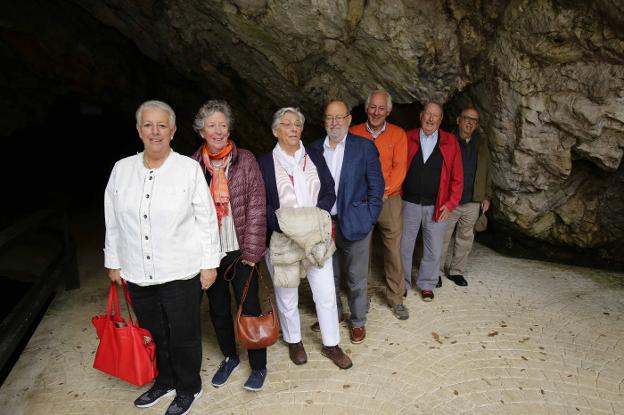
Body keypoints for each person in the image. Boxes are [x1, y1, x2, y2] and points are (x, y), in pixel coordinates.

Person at [104, 100, 222, 415]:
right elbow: (112, 220)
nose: (154, 132)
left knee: (183, 333)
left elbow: (206, 218)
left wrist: (209, 262)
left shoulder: (187, 168)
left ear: (172, 131)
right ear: (139, 130)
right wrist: (113, 262)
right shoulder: (121, 169)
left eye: (161, 125)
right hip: (137, 270)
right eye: (148, 125)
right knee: (154, 332)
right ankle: (165, 380)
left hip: (180, 270)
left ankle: (188, 387)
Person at [258, 107, 353, 369]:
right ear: (275, 130)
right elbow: (261, 202)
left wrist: (318, 216)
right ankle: (294, 341)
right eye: (286, 124)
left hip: (315, 238)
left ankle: (331, 344)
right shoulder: (265, 163)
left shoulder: (314, 156)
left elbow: (329, 190)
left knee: (325, 292)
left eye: (297, 124)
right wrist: (278, 223)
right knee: (287, 293)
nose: (292, 129)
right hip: (283, 238)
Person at [191, 100, 268, 391]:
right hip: (210, 255)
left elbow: (257, 206)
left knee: (249, 307)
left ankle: (258, 365)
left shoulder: (245, 159)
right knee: (219, 309)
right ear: (201, 131)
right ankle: (229, 357)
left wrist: (252, 252)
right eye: (211, 125)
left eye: (222, 124)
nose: (218, 130)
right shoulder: (192, 165)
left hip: (240, 252)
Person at [309, 99, 384, 342]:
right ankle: (334, 315)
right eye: (330, 118)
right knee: (328, 276)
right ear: (324, 121)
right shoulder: (312, 150)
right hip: (323, 224)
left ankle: (358, 320)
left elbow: (376, 186)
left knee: (356, 276)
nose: (334, 122)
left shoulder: (364, 147)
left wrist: (370, 217)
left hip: (356, 222)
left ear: (349, 119)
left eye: (339, 117)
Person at [349, 90, 409, 320]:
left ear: (388, 111)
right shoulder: (353, 133)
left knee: (393, 251)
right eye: (372, 107)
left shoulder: (398, 135)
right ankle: (361, 299)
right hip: (361, 201)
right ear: (366, 109)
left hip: (389, 200)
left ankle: (396, 298)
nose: (376, 112)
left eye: (381, 108)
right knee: (361, 251)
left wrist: (381, 193)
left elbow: (399, 168)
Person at [399, 102, 463, 302]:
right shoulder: (407, 137)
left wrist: (451, 203)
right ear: (421, 116)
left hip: (438, 205)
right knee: (404, 246)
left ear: (441, 120)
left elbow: (458, 177)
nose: (431, 118)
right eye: (428, 114)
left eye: (435, 115)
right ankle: (402, 283)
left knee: (434, 248)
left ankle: (427, 283)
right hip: (408, 202)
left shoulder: (450, 141)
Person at [439, 108, 490, 287]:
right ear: (459, 119)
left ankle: (456, 272)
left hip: (473, 200)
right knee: (442, 237)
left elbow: (487, 170)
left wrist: (486, 195)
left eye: (474, 120)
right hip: (450, 200)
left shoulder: (481, 143)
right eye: (467, 118)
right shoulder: (447, 139)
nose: (470, 123)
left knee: (465, 239)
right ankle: (435, 272)